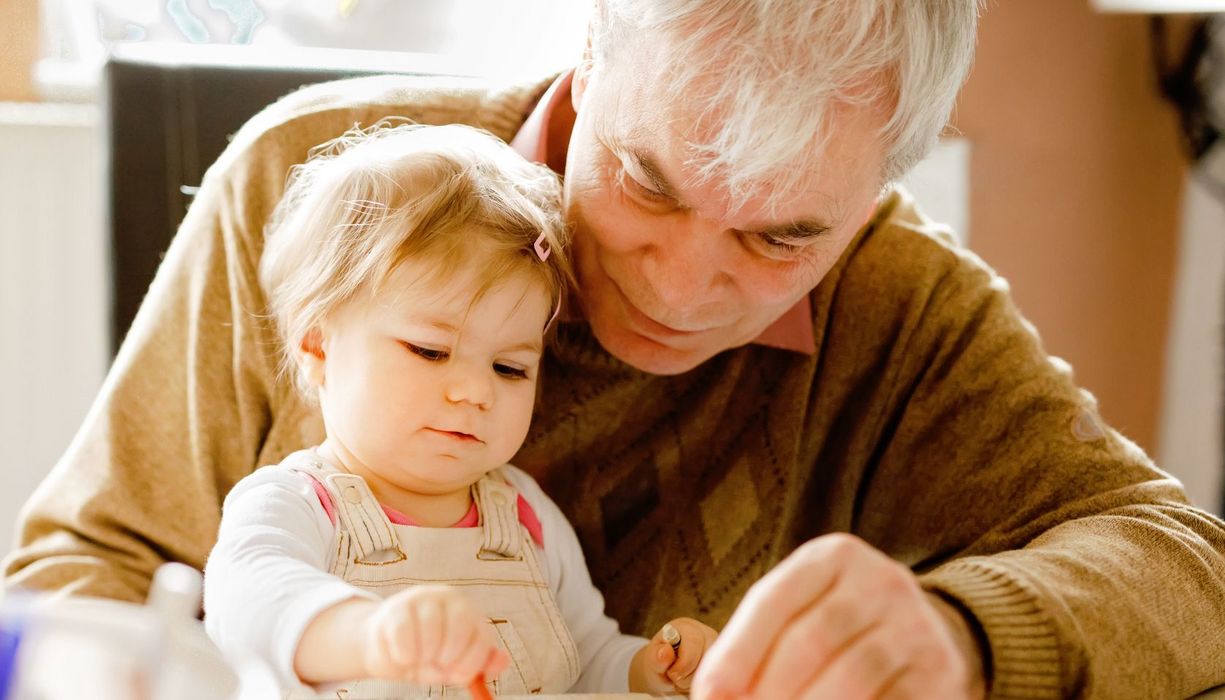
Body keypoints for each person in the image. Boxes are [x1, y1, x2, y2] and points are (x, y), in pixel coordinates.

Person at [7, 1, 1225, 698]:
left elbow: (1188, 567)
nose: (680, 287)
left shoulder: (900, 306)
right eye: (647, 180)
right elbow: (80, 569)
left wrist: (961, 630)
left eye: (782, 236)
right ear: (589, 57)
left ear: (876, 193)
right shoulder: (311, 184)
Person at [201, 121, 717, 697]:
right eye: (431, 351)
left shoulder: (524, 514)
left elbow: (585, 654)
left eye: (509, 368)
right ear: (319, 348)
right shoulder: (296, 502)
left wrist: (647, 670)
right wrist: (368, 634)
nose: (475, 391)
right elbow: (248, 606)